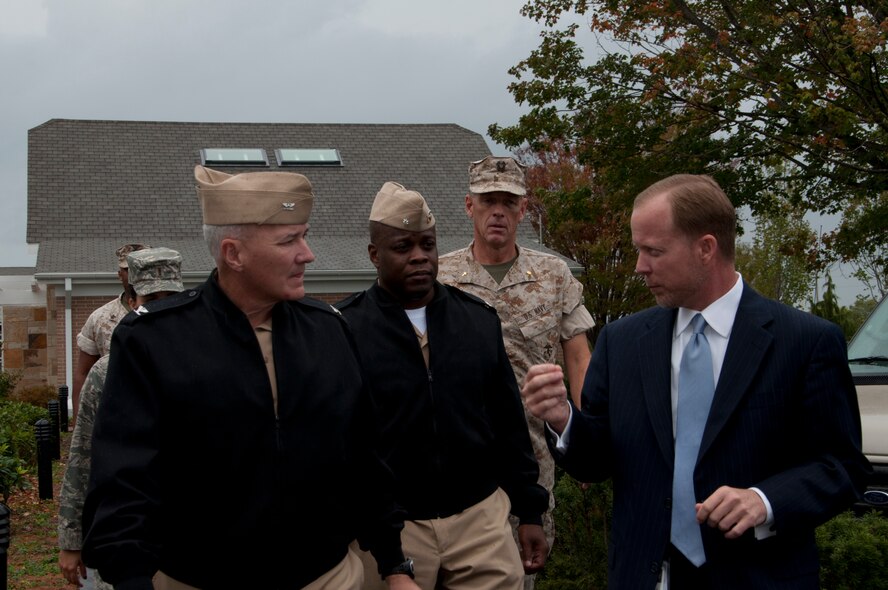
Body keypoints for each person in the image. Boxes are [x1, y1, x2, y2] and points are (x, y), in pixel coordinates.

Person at [521, 174, 871, 588]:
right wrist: (564, 419)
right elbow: (597, 461)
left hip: (760, 576)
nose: (639, 266)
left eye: (654, 251)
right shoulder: (622, 342)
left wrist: (764, 500)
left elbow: (841, 468)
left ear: (706, 248)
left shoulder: (805, 342)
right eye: (638, 249)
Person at [82, 166, 419, 590]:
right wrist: (131, 577)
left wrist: (393, 563)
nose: (307, 253)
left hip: (327, 577)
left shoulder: (329, 330)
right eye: (289, 240)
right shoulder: (153, 342)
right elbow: (123, 480)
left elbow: (365, 458)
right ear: (233, 253)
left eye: (305, 235)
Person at [336, 182, 549, 590]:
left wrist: (529, 511)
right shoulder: (345, 329)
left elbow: (508, 423)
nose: (419, 257)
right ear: (374, 255)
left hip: (479, 520)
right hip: (394, 529)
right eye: (403, 247)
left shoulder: (477, 320)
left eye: (427, 245)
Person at [437, 155, 594, 586]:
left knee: (523, 573)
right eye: (489, 201)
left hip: (534, 452)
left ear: (523, 210)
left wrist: (586, 440)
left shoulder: (553, 274)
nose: (498, 212)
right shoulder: (440, 277)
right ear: (470, 206)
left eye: (509, 202)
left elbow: (579, 357)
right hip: (463, 454)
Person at [59, 247, 186, 590]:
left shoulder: (210, 358)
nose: (160, 306)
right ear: (133, 303)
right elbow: (83, 455)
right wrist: (72, 540)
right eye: (150, 297)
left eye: (169, 297)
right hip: (128, 530)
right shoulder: (108, 370)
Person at [71, 242, 149, 424]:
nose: (135, 274)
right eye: (128, 269)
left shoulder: (171, 313)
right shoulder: (100, 319)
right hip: (116, 419)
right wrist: (79, 426)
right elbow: (83, 374)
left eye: (142, 267)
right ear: (119, 274)